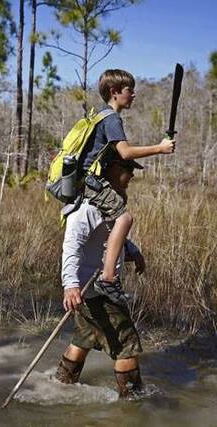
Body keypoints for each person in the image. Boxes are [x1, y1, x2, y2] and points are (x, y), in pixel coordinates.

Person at [78, 68, 175, 311]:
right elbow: (125, 153)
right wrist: (160, 148)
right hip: (90, 182)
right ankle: (108, 279)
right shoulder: (111, 118)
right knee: (125, 217)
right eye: (130, 90)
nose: (134, 95)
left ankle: (114, 266)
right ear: (114, 92)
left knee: (118, 216)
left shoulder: (102, 117)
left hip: (89, 182)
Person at [54, 157, 147, 399]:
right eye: (128, 169)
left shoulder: (108, 205)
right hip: (94, 291)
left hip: (89, 292)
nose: (132, 175)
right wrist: (71, 285)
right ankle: (134, 405)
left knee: (84, 338)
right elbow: (71, 245)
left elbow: (108, 236)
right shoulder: (87, 207)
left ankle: (60, 387)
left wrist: (133, 251)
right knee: (126, 345)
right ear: (113, 168)